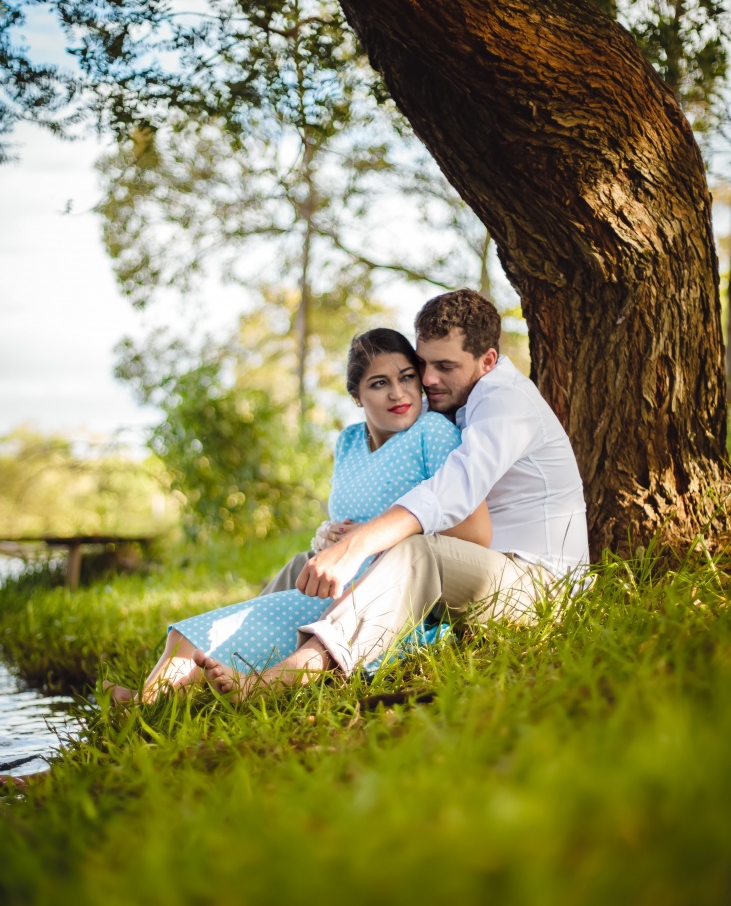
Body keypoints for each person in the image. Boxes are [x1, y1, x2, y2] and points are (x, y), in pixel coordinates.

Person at [195, 289, 589, 697]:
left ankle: (301, 668)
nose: (428, 379)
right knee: (305, 564)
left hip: (539, 589)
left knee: (415, 552)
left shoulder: (506, 403)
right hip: (474, 575)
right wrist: (337, 539)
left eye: (445, 366)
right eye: (423, 364)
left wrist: (360, 544)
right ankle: (201, 666)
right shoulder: (452, 400)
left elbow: (451, 493)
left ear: (487, 361)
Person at [106, 327, 490, 704]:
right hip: (333, 583)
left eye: (407, 377)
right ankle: (145, 704)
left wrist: (371, 537)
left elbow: (466, 529)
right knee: (186, 638)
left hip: (389, 595)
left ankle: (258, 683)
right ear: (356, 395)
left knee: (227, 635)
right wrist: (329, 536)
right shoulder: (349, 441)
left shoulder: (433, 432)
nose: (398, 393)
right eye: (378, 383)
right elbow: (349, 515)